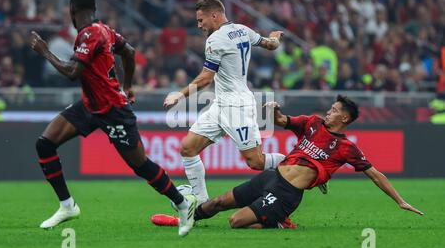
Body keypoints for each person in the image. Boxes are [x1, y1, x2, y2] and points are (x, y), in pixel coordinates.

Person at [30, 0, 196, 237]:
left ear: (72, 11)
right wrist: (128, 85)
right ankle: (67, 206)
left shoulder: (91, 33)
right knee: (45, 144)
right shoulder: (105, 30)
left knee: (140, 165)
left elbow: (73, 71)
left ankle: (183, 203)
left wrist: (44, 51)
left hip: (112, 110)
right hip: (89, 105)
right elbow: (129, 52)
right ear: (94, 10)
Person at [156, 95, 424, 229]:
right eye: (330, 108)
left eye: (334, 111)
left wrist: (399, 200)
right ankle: (186, 220)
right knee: (216, 203)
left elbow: (376, 174)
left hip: (286, 193)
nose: (329, 112)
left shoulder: (346, 148)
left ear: (344, 119)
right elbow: (282, 121)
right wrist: (273, 109)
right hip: (270, 176)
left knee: (236, 222)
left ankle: (279, 218)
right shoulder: (312, 123)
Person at [162, 0, 286, 205]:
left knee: (256, 162)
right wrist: (275, 38)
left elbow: (205, 78)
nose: (199, 25)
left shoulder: (215, 40)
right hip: (221, 104)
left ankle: (301, 163)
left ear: (215, 15)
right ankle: (201, 202)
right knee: (188, 148)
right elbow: (270, 45)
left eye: (201, 20)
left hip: (237, 106)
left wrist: (179, 95)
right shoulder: (243, 30)